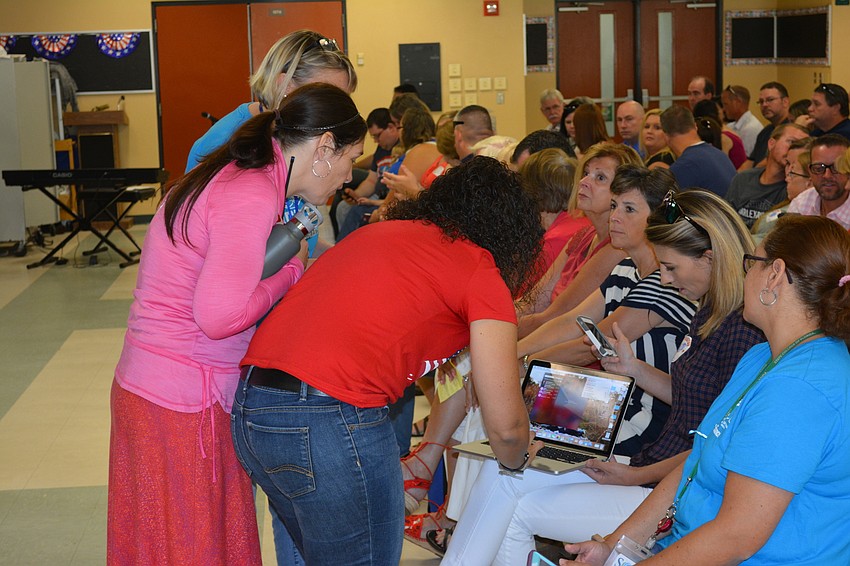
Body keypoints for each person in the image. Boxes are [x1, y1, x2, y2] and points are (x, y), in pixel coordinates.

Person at [231, 157, 546, 565]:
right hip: (329, 418)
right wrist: (520, 458)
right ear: (510, 233)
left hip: (253, 409)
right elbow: (505, 428)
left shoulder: (385, 233)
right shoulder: (479, 269)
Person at [107, 84, 366, 564]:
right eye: (351, 158)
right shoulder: (250, 191)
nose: (349, 177)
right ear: (324, 147)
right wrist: (291, 271)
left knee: (170, 542)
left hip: (159, 388)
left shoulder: (242, 173)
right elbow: (219, 317)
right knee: (194, 546)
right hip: (184, 400)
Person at [443, 189, 763, 566]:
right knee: (504, 471)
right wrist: (634, 370)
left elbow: (715, 441)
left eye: (671, 267)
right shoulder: (708, 306)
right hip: (653, 467)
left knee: (514, 502)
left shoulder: (741, 328)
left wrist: (637, 474)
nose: (664, 277)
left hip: (668, 481)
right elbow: (696, 398)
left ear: (709, 259)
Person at [564, 214, 850, 566]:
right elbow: (693, 466)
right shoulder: (763, 356)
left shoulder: (800, 389)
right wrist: (612, 546)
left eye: (752, 263)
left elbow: (735, 537)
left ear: (774, 274)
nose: (745, 274)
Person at [516, 166, 696, 457]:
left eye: (629, 209)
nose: (614, 217)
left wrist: (523, 361)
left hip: (642, 418)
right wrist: (515, 354)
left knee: (517, 438)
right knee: (507, 430)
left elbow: (591, 346)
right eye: (614, 206)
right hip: (611, 401)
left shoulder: (664, 281)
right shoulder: (626, 267)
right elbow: (571, 322)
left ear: (657, 218)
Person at [185, 29, 356, 258]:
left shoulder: (300, 137)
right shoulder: (223, 144)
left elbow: (297, 240)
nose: (337, 112)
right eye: (328, 96)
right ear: (285, 84)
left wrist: (341, 256)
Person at [725, 123, 810, 228]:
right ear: (771, 144)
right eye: (792, 142)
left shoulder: (793, 188)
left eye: (802, 147)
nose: (795, 150)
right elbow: (724, 219)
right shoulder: (743, 178)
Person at [662, 105, 735, 198]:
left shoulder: (682, 167)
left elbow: (669, 207)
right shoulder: (719, 155)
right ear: (696, 127)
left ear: (665, 136)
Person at [751, 137, 813, 242]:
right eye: (788, 163)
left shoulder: (806, 212)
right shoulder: (788, 200)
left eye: (794, 168)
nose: (788, 174)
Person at [788, 134, 850, 229]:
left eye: (836, 168)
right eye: (818, 168)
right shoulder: (801, 204)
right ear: (810, 172)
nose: (827, 175)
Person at [740, 81, 792, 169]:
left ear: (785, 102)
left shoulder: (792, 131)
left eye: (770, 100)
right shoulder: (765, 132)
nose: (764, 105)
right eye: (761, 101)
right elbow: (751, 162)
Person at [721, 84, 763, 156]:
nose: (723, 109)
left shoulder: (751, 128)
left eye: (725, 104)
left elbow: (746, 161)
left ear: (738, 102)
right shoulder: (730, 126)